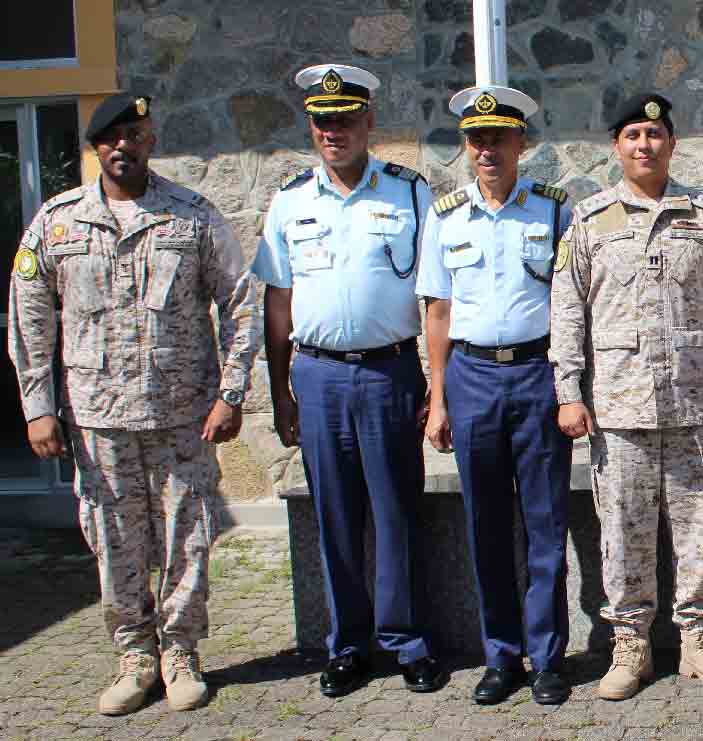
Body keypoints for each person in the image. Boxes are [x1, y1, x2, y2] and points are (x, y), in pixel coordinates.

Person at [7, 93, 261, 714]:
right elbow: (30, 316)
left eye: (136, 134)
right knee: (113, 540)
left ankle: (181, 653)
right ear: (96, 147)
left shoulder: (192, 216)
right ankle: (135, 655)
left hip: (182, 415)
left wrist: (230, 393)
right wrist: (38, 406)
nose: (124, 145)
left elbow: (240, 302)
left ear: (151, 142)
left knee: (186, 538)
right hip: (97, 419)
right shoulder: (58, 223)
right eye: (111, 137)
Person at [251, 64, 441, 698]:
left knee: (397, 513)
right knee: (335, 516)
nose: (334, 132)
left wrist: (436, 387)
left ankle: (407, 641)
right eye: (323, 122)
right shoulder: (290, 200)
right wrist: (280, 392)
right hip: (319, 376)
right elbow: (278, 302)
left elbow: (435, 297)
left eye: (346, 120)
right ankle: (349, 646)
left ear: (368, 123)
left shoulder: (409, 193)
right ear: (312, 128)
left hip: (389, 371)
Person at [549, 93, 703, 700]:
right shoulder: (589, 219)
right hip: (619, 406)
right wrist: (568, 391)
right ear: (616, 146)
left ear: (672, 144)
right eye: (633, 134)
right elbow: (568, 309)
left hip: (695, 404)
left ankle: (698, 641)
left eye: (655, 134)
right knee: (623, 532)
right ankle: (629, 644)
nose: (644, 144)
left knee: (699, 532)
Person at [415, 84, 573, 706]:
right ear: (466, 146)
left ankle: (548, 657)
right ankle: (500, 655)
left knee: (544, 523)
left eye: (498, 139)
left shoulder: (553, 211)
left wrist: (571, 386)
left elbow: (571, 304)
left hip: (537, 373)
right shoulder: (446, 215)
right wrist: (438, 399)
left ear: (520, 143)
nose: (487, 150)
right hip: (472, 377)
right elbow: (437, 312)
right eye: (477, 140)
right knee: (485, 523)